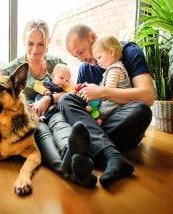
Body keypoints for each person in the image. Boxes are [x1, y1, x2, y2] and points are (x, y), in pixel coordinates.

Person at [57, 24, 154, 187]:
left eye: (81, 52)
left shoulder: (128, 52)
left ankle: (80, 151)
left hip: (121, 120)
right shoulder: (84, 68)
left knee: (142, 110)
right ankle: (112, 156)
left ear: (92, 37)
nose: (81, 59)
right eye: (76, 56)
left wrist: (103, 92)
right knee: (65, 100)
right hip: (100, 123)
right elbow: (80, 105)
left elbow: (148, 96)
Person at [0, 19, 91, 187]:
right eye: (30, 43)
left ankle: (75, 156)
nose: (35, 50)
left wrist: (48, 98)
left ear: (48, 42)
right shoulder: (14, 68)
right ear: (23, 42)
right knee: (43, 133)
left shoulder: (56, 63)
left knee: (61, 126)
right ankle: (65, 168)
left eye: (41, 44)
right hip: (32, 118)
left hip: (54, 111)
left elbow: (71, 91)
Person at [91, 35, 132, 124]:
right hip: (114, 103)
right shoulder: (114, 68)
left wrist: (96, 91)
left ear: (111, 52)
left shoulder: (114, 69)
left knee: (95, 111)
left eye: (99, 57)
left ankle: (99, 120)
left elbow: (108, 91)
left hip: (115, 105)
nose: (98, 62)